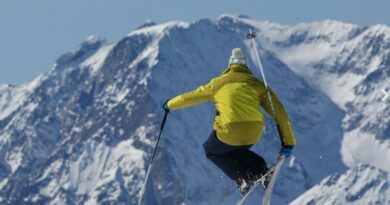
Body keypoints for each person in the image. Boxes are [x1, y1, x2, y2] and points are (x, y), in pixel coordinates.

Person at [162, 48, 296, 194]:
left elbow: (188, 98)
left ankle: (243, 177)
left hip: (229, 131)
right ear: (246, 67)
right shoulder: (257, 84)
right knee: (235, 149)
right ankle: (260, 169)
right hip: (254, 132)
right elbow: (280, 113)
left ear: (229, 66)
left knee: (211, 149)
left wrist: (169, 104)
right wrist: (288, 142)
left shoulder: (217, 84)